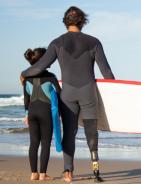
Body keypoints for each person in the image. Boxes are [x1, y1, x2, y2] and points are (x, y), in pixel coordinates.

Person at [20, 6, 115, 183]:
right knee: (91, 134)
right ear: (82, 21)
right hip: (88, 93)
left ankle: (68, 172)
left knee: (69, 133)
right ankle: (96, 171)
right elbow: (106, 72)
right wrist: (116, 94)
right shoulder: (94, 42)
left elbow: (39, 67)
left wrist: (25, 72)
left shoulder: (57, 42)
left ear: (65, 21)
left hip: (68, 95)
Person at [23, 48, 61, 181]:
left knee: (33, 143)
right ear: (43, 60)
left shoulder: (27, 77)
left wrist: (26, 114)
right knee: (45, 143)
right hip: (46, 111)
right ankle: (43, 174)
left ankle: (33, 173)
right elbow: (60, 95)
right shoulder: (51, 77)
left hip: (32, 111)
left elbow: (26, 98)